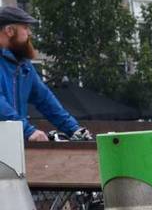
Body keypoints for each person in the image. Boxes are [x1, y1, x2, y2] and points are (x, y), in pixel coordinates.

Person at [0, 7, 90, 142]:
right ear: (9, 31)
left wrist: (74, 129)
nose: (29, 33)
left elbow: (45, 99)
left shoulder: (24, 66)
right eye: (25, 28)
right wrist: (27, 131)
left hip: (11, 142)